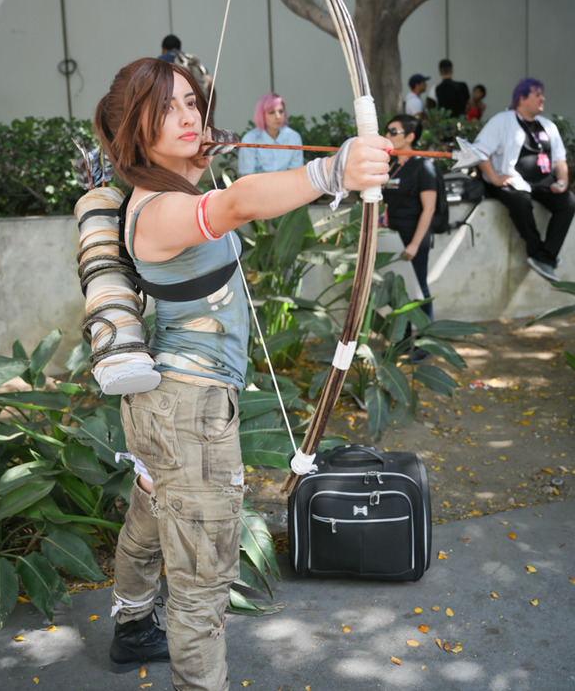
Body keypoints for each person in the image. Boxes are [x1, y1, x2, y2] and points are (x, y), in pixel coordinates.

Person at [93, 57, 390, 691]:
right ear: (134, 132)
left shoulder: (167, 190)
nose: (188, 116)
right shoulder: (156, 212)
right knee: (203, 587)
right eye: (167, 108)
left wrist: (190, 164)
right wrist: (330, 171)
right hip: (190, 410)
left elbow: (216, 199)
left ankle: (131, 627)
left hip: (159, 406)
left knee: (149, 518)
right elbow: (238, 203)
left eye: (191, 104)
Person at [474, 77, 575, 281]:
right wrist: (494, 178)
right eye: (537, 95)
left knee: (568, 201)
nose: (543, 99)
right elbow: (479, 150)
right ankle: (536, 251)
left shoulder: (547, 125)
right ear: (522, 98)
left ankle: (546, 258)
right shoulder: (502, 121)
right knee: (520, 200)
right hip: (510, 180)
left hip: (543, 183)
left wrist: (562, 182)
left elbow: (559, 161)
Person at [382, 113, 437, 363]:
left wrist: (415, 243)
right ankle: (403, 343)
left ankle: (425, 342)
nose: (388, 135)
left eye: (394, 132)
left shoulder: (422, 165)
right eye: (388, 131)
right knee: (399, 290)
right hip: (393, 236)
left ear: (411, 137)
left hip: (415, 236)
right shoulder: (391, 164)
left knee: (419, 289)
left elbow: (429, 208)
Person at [238, 92, 303, 176]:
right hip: (257, 188)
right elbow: (247, 177)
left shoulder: (294, 137)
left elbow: (296, 174)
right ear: (261, 115)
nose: (278, 116)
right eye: (272, 112)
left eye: (281, 111)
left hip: (287, 187)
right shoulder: (249, 140)